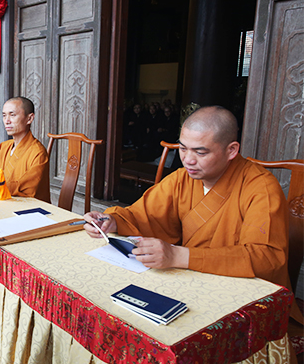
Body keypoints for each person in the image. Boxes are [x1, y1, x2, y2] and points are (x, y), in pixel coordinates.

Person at [84, 106, 302, 322]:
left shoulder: (261, 188)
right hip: (190, 284)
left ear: (231, 150)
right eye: (183, 148)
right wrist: (112, 221)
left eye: (200, 152)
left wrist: (178, 256)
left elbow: (266, 257)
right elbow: (143, 215)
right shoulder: (182, 178)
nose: (188, 159)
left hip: (242, 300)